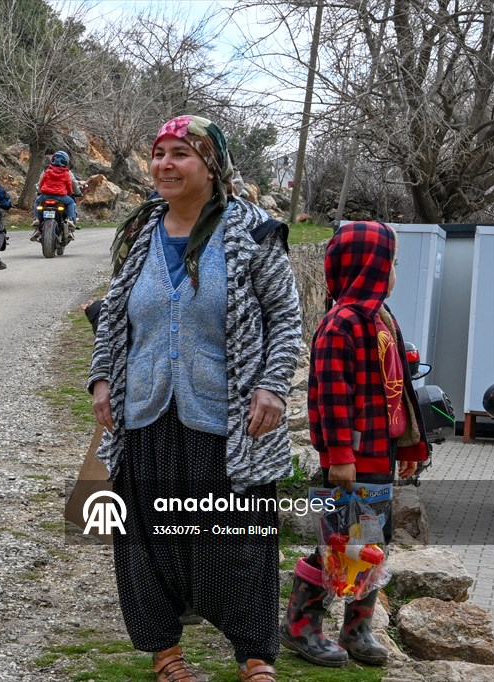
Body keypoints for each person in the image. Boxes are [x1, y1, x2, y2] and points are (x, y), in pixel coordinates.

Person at [88, 114, 302, 682]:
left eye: (180, 153)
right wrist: (103, 379)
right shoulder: (138, 235)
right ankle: (166, 655)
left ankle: (255, 655)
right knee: (146, 542)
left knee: (241, 541)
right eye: (158, 153)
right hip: (149, 417)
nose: (164, 164)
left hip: (232, 421)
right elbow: (113, 319)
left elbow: (286, 317)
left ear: (211, 164)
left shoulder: (254, 233)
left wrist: (273, 385)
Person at [281, 221, 429, 668]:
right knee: (338, 543)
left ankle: (357, 628)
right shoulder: (340, 324)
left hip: (378, 458)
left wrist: (407, 449)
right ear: (369, 267)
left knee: (370, 541)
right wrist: (340, 457)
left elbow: (398, 391)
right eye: (392, 263)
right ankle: (300, 626)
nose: (395, 271)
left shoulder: (382, 319)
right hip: (351, 462)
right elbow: (330, 397)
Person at [31, 150, 78, 242]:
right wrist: (69, 193)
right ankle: (70, 219)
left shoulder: (47, 171)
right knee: (71, 202)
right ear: (66, 162)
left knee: (37, 201)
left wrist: (41, 191)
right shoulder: (66, 173)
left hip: (46, 195)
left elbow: (41, 183)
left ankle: (36, 218)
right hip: (60, 197)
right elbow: (69, 186)